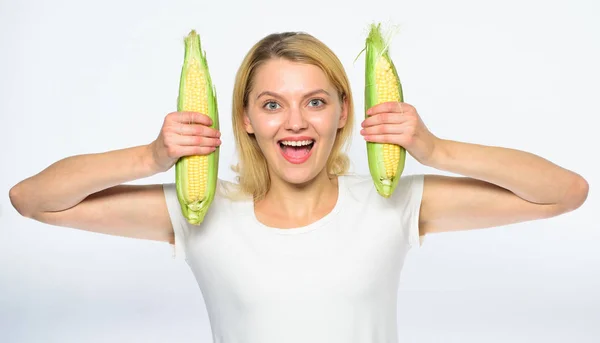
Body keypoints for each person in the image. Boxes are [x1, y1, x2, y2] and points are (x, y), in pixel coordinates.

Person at [9, 31, 589, 342]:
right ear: (244, 119)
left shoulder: (394, 204)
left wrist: (435, 151)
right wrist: (150, 155)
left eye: (315, 101)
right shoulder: (199, 213)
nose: (294, 122)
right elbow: (32, 201)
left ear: (343, 112)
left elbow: (564, 192)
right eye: (271, 104)